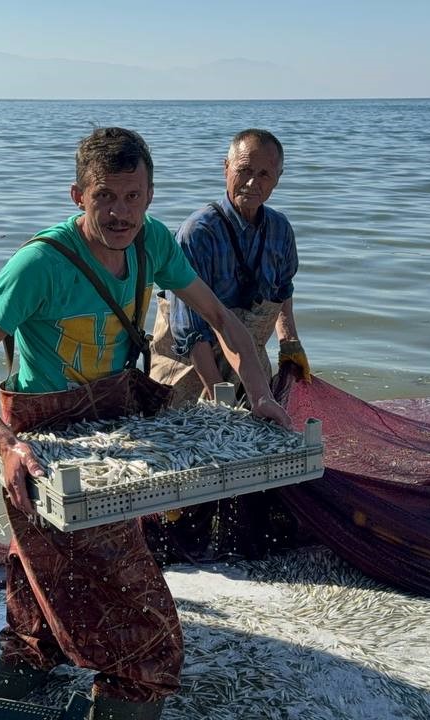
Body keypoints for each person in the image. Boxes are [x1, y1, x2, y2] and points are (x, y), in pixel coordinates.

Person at [0, 127, 291, 720]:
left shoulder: (153, 244)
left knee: (38, 591)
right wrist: (5, 443)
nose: (121, 213)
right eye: (106, 197)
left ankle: (15, 683)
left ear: (149, 196)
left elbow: (221, 318)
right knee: (145, 628)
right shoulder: (40, 265)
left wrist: (260, 396)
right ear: (79, 195)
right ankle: (123, 694)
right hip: (42, 439)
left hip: (115, 425)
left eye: (133, 196)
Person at [146, 129, 308, 562]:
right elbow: (192, 330)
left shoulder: (280, 230)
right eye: (244, 171)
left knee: (252, 460)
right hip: (186, 363)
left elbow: (283, 288)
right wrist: (217, 398)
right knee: (189, 464)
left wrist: (288, 341)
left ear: (278, 178)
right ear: (225, 170)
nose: (253, 183)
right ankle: (181, 552)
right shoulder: (197, 233)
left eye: (265, 174)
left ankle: (240, 548)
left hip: (249, 356)